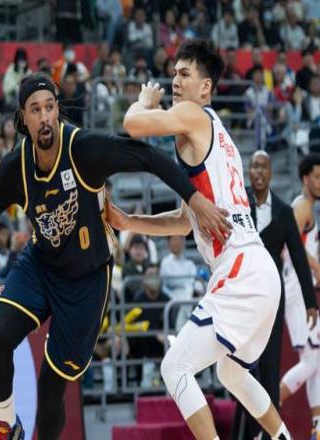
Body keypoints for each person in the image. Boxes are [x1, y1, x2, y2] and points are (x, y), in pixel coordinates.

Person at [0, 72, 230, 439]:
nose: (44, 117)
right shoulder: (16, 167)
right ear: (23, 118)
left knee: (50, 389)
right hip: (42, 264)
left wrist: (195, 200)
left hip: (87, 280)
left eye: (50, 107)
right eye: (35, 110)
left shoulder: (84, 149)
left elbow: (148, 156)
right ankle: (8, 426)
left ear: (57, 110)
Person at [106, 39, 291, 440]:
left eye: (184, 74)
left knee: (174, 367)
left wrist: (144, 100)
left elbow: (133, 125)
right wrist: (129, 220)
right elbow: (185, 221)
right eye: (173, 73)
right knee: (231, 372)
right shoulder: (216, 135)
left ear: (205, 87)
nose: (174, 80)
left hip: (240, 269)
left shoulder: (192, 114)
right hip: (257, 269)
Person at [232, 150, 317, 439]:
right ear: (248, 171)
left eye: (264, 167)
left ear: (270, 173)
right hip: (241, 297)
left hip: (272, 299)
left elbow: (298, 257)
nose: (258, 171)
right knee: (240, 368)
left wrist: (311, 303)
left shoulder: (282, 211)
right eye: (254, 166)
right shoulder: (238, 204)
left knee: (270, 367)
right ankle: (249, 432)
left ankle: (267, 434)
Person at [280, 153, 320, 438]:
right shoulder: (303, 205)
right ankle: (267, 408)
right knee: (310, 361)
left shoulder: (308, 208)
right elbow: (289, 241)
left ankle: (317, 428)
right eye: (317, 177)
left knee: (316, 360)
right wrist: (317, 266)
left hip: (300, 288)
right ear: (305, 178)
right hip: (295, 288)